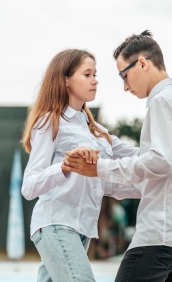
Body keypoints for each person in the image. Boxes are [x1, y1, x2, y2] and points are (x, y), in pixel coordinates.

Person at [62, 30, 172, 282]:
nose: (125, 87)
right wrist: (103, 179)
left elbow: (159, 161)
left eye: (124, 75)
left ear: (143, 63)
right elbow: (157, 171)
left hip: (160, 235)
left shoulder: (162, 101)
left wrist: (99, 168)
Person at [21, 48, 140, 282]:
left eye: (95, 75)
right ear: (65, 79)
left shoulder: (97, 131)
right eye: (87, 74)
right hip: (56, 223)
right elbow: (29, 187)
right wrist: (65, 166)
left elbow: (142, 156)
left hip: (81, 231)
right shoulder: (50, 121)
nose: (95, 81)